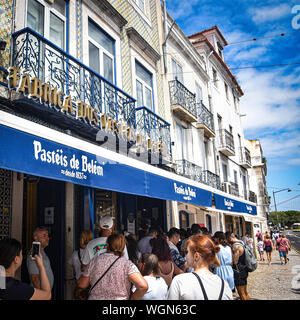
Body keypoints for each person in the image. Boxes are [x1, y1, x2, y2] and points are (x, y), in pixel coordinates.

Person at [77, 233, 148, 300]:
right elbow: (143, 286)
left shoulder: (94, 261)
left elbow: (82, 284)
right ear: (123, 247)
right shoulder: (127, 265)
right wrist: (132, 298)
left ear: (107, 245)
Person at [167, 235, 232, 300]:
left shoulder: (180, 281)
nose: (185, 255)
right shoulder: (224, 284)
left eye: (186, 252)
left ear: (196, 256)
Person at [27, 227, 54, 291]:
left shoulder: (41, 251)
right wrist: (43, 295)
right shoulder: (35, 252)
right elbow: (35, 278)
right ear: (35, 238)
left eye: (47, 236)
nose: (47, 238)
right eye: (44, 236)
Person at [68, 230, 93, 300]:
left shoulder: (75, 254)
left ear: (82, 240)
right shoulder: (94, 254)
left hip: (79, 286)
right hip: (91, 286)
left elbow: (71, 265)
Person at [226, 232, 250, 300]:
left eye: (227, 239)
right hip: (244, 269)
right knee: (245, 292)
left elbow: (235, 261)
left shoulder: (235, 246)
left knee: (241, 293)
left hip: (239, 271)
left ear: (229, 238)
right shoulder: (241, 242)